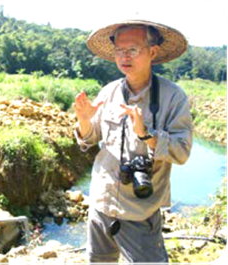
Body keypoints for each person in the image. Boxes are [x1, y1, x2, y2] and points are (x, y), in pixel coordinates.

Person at [74, 20, 192, 262]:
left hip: (140, 211)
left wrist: (146, 134)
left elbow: (182, 152)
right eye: (119, 50)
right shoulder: (109, 91)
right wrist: (85, 121)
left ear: (153, 52)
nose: (124, 57)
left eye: (133, 50)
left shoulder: (173, 97)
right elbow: (90, 138)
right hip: (100, 203)